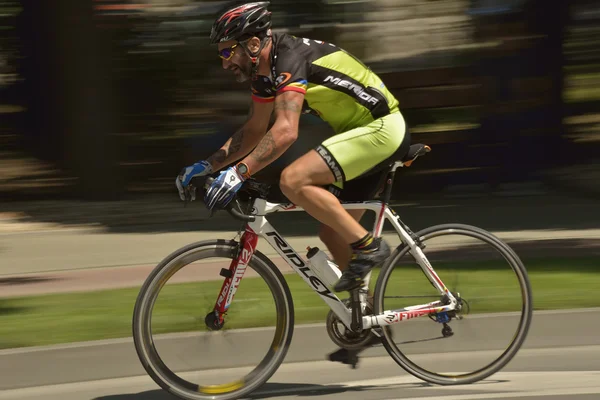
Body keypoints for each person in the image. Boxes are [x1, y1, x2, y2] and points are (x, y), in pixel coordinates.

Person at [175, 0, 410, 365]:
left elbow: (284, 132)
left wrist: (239, 173)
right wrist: (209, 164)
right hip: (358, 135)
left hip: (380, 128)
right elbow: (255, 131)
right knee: (332, 233)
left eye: (227, 50)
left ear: (253, 44)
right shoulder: (264, 74)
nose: (224, 61)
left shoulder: (289, 57)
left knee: (293, 179)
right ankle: (365, 323)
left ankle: (371, 247)